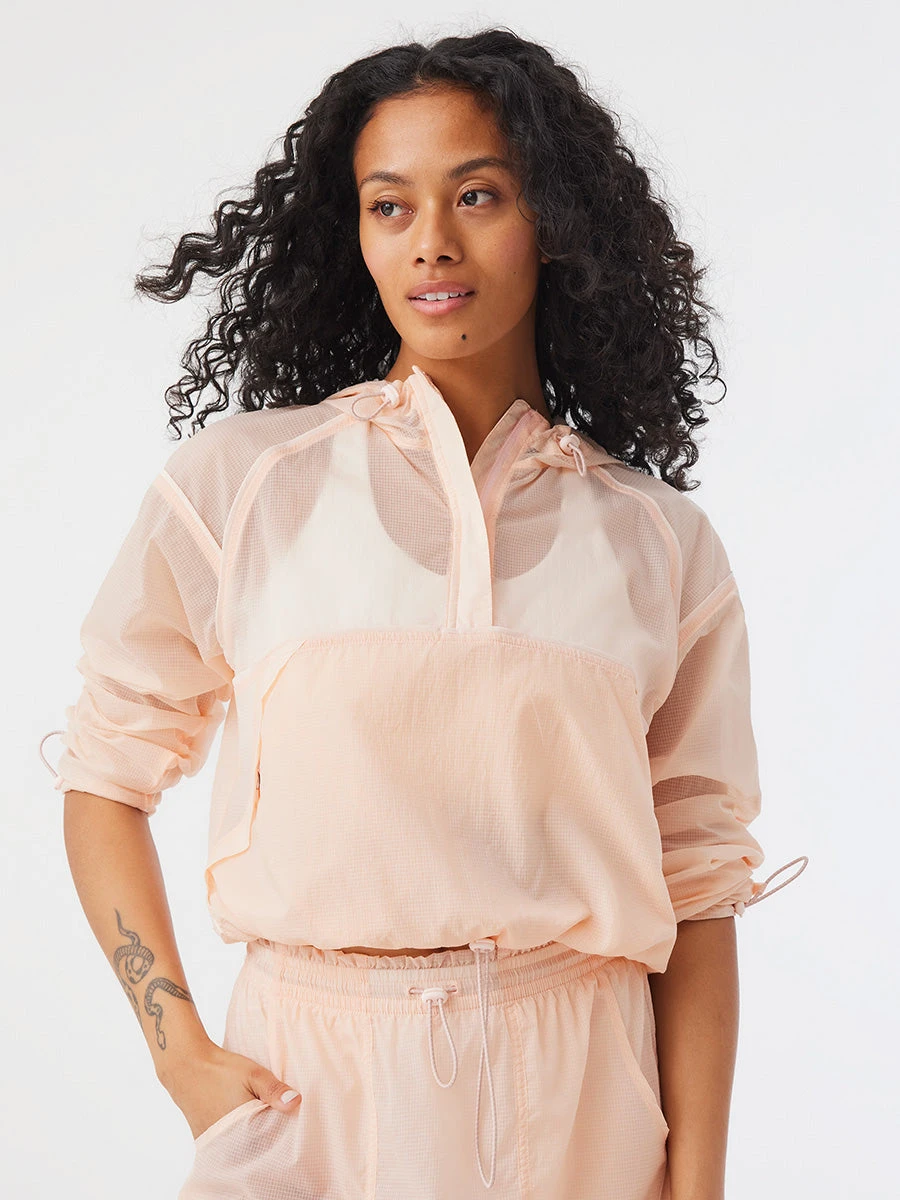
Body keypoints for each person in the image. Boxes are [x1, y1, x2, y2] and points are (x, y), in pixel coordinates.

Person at [38, 26, 808, 1200]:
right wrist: (177, 1051)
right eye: (389, 206)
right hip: (310, 1086)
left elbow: (698, 888)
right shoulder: (244, 488)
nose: (432, 242)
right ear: (352, 234)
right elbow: (105, 779)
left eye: (478, 195)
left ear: (553, 218)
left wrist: (695, 1186)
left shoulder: (656, 542)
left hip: (583, 1093)